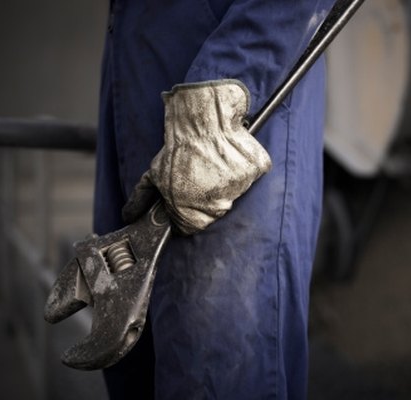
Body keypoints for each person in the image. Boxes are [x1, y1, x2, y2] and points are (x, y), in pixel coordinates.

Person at [93, 1, 333, 399]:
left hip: (224, 109)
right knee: (134, 370)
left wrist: (234, 72)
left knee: (218, 375)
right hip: (134, 76)